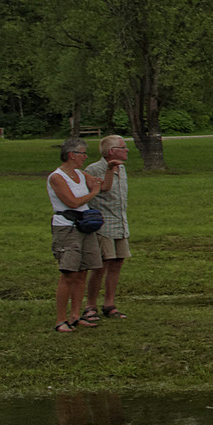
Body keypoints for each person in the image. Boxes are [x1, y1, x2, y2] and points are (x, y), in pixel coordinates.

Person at [48, 137, 112, 332]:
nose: (85, 157)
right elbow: (72, 202)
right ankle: (61, 320)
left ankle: (75, 316)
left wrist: (110, 170)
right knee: (69, 273)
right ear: (71, 155)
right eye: (83, 153)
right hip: (67, 228)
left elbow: (103, 187)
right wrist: (93, 192)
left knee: (83, 271)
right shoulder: (57, 177)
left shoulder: (80, 174)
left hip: (84, 226)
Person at [83, 135, 130, 321]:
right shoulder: (93, 169)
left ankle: (109, 304)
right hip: (103, 225)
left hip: (120, 223)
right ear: (111, 151)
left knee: (117, 263)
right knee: (100, 266)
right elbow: (98, 192)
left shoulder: (122, 168)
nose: (126, 150)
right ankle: (90, 305)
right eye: (123, 147)